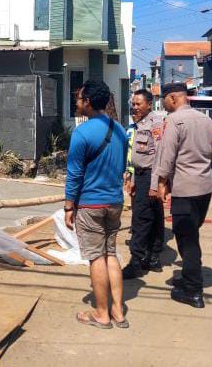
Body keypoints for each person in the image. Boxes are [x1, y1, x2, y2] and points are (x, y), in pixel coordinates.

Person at [64, 80, 129, 329]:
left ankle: (101, 314)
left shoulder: (82, 132)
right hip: (114, 201)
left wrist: (69, 206)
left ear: (88, 102)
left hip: (90, 204)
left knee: (95, 258)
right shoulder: (121, 130)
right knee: (110, 253)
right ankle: (118, 312)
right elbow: (122, 167)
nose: (77, 102)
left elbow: (74, 174)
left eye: (79, 98)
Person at [153, 82, 212, 308]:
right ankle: (190, 277)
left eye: (165, 100)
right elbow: (210, 153)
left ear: (173, 98)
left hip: (185, 189)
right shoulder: (206, 119)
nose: (164, 105)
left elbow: (167, 156)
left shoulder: (174, 120)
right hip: (205, 187)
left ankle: (193, 290)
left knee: (187, 240)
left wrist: (161, 183)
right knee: (191, 234)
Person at [122, 89, 166, 279]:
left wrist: (154, 185)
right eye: (133, 103)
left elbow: (159, 156)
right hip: (141, 174)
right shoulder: (139, 123)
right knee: (154, 216)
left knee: (141, 219)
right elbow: (136, 153)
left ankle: (137, 261)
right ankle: (153, 258)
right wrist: (130, 175)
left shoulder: (155, 124)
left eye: (139, 104)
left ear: (149, 104)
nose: (135, 107)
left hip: (150, 176)